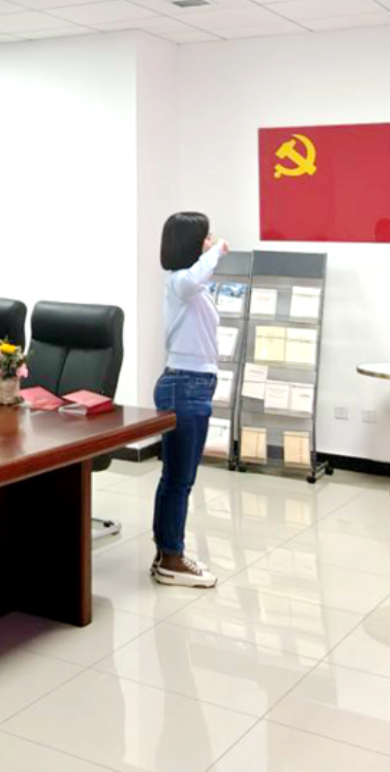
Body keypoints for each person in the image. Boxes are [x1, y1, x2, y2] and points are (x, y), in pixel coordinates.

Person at [152, 212, 227, 589]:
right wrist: (217, 251)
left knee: (178, 479)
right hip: (185, 385)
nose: (211, 241)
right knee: (180, 479)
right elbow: (196, 274)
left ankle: (167, 552)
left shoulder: (191, 288)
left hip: (195, 384)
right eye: (206, 236)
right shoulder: (180, 282)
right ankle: (172, 558)